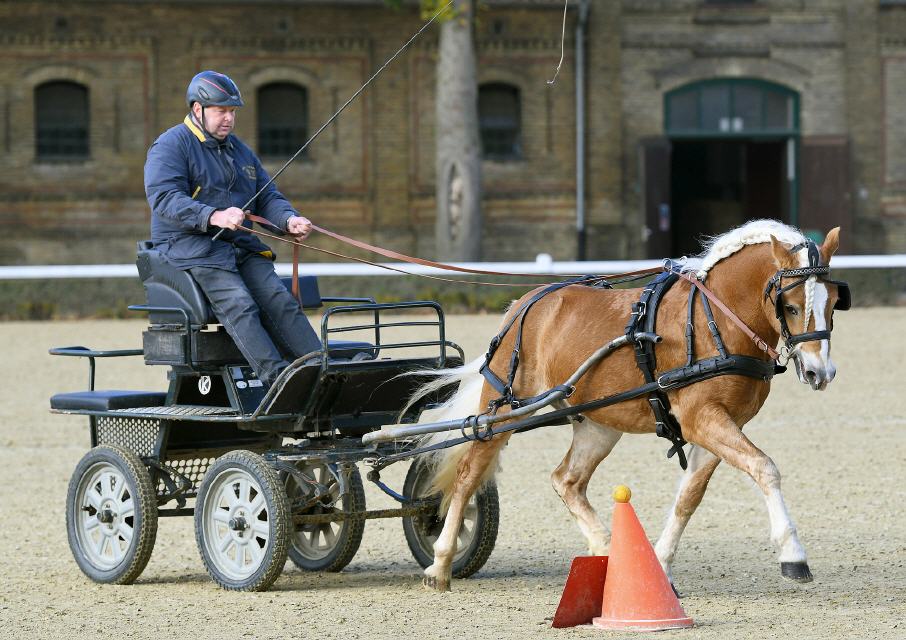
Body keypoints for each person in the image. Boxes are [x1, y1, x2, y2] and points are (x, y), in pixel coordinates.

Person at [144, 70, 322, 387]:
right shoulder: (171, 145)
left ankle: (321, 370)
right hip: (192, 247)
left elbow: (266, 195)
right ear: (197, 109)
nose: (228, 119)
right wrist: (213, 215)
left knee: (281, 300)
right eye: (221, 111)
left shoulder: (238, 149)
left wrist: (288, 220)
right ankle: (279, 382)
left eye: (232, 112)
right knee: (239, 304)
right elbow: (164, 198)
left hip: (239, 245)